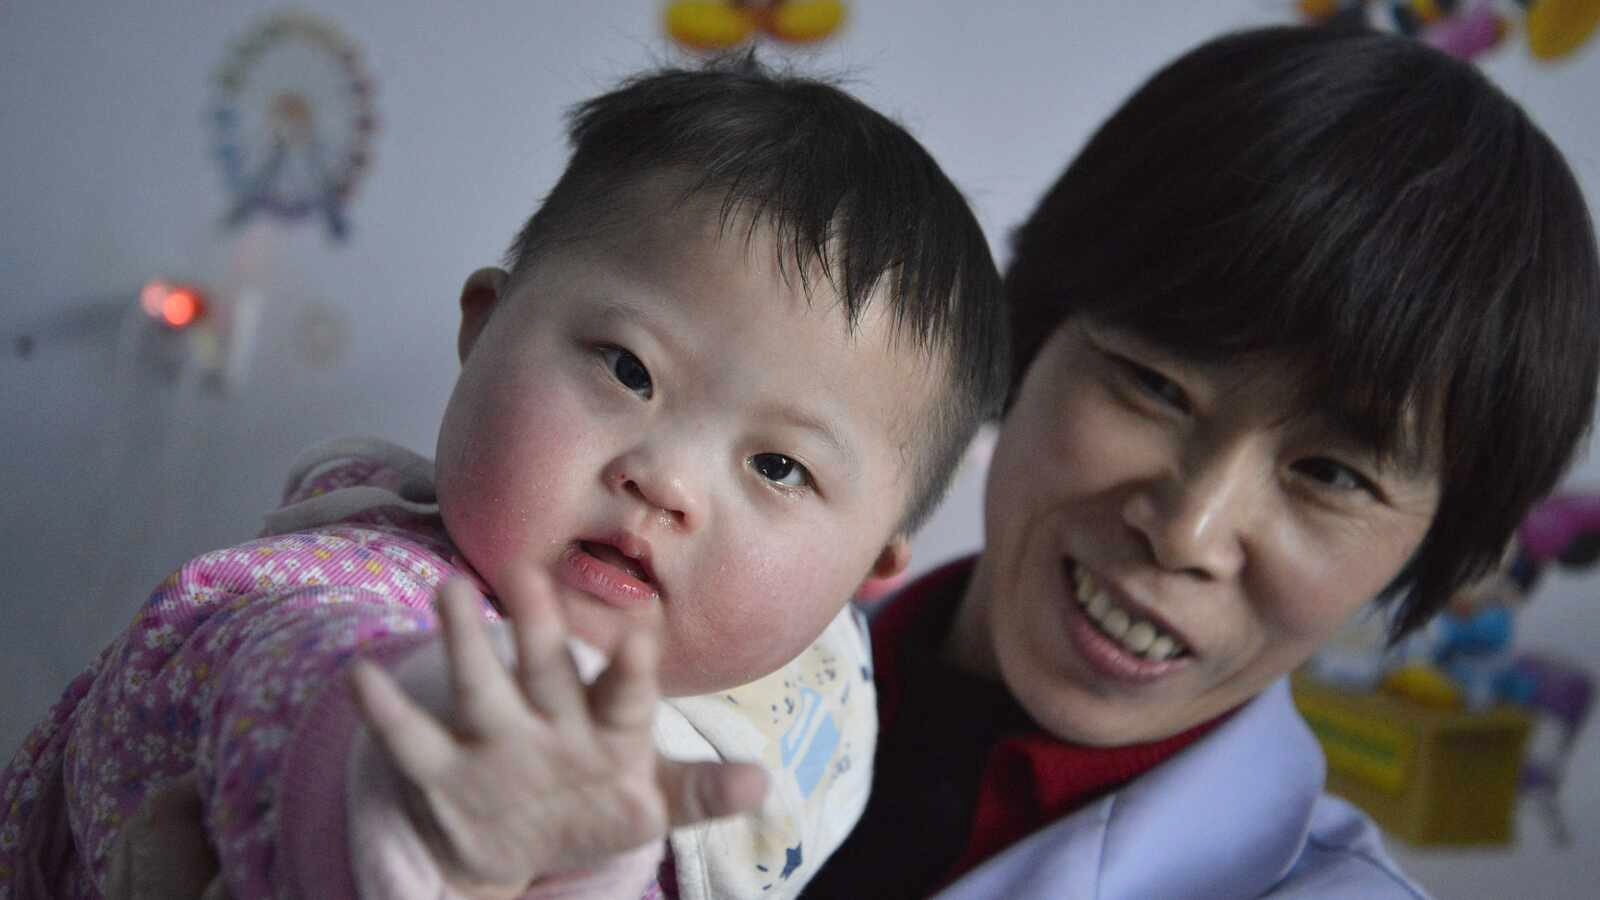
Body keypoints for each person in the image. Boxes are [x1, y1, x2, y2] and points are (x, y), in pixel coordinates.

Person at [0, 56, 1009, 900]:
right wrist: (425, 786)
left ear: (866, 569)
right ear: (484, 324)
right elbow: (296, 666)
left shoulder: (804, 700)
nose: (665, 480)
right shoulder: (352, 591)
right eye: (629, 370)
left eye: (779, 466)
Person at [806, 24, 1600, 899]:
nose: (1189, 530)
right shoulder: (697, 654)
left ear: (1434, 545)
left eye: (1332, 475)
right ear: (1030, 338)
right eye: (1156, 385)